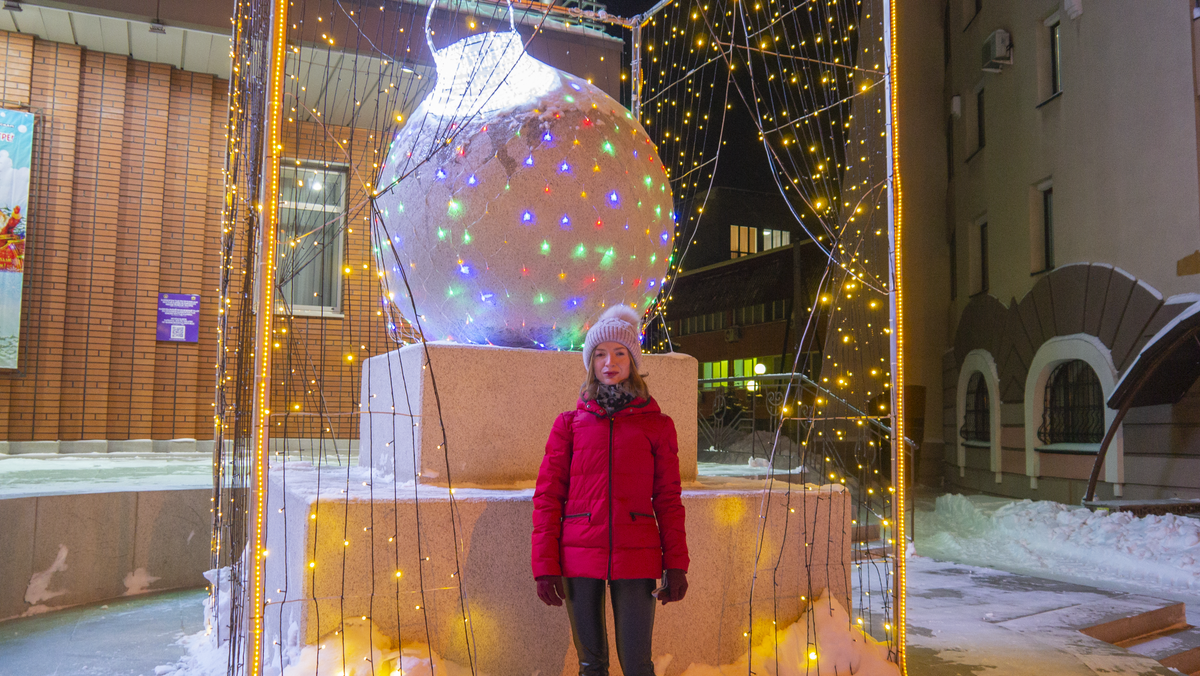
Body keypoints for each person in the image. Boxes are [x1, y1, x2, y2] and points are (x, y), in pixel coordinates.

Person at [531, 305, 689, 676]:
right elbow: (548, 497)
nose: (609, 362)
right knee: (591, 664)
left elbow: (668, 498)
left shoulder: (658, 425)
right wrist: (544, 566)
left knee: (637, 664)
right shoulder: (569, 425)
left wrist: (676, 564)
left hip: (636, 555)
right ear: (591, 363)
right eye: (600, 354)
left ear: (633, 361)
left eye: (620, 353)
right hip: (577, 553)